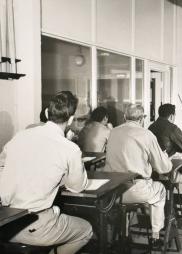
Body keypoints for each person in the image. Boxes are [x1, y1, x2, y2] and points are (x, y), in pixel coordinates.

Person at [0, 91, 93, 254]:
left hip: (6, 222)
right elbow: (77, 187)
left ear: (47, 113)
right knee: (86, 230)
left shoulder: (19, 137)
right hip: (35, 225)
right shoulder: (69, 148)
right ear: (71, 120)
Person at [103, 104, 172, 248]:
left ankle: (124, 233)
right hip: (136, 190)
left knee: (126, 206)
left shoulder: (113, 132)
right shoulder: (147, 135)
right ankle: (155, 236)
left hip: (112, 191)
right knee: (160, 190)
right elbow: (163, 168)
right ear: (142, 119)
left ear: (124, 117)